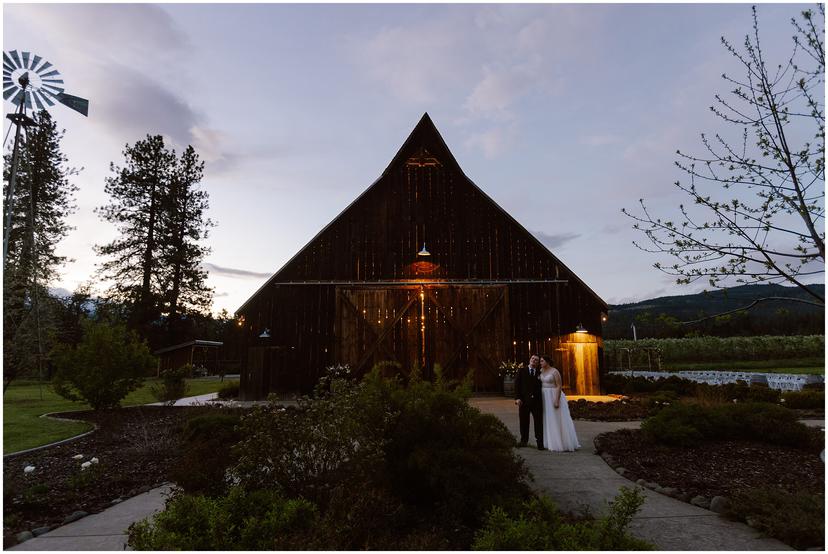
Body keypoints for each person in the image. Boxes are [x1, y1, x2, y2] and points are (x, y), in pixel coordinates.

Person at [538, 354, 580, 452]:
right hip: (544, 397)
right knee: (547, 418)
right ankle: (548, 441)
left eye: (542, 361)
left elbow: (559, 385)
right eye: (540, 361)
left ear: (547, 362)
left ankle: (560, 442)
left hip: (553, 395)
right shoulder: (541, 371)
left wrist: (556, 400)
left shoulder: (554, 371)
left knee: (556, 418)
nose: (540, 363)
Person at [514, 354, 543, 449]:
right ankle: (523, 441)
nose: (534, 360)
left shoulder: (540, 373)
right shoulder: (522, 371)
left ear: (538, 363)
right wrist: (517, 398)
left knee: (538, 423)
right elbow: (517, 385)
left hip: (537, 402)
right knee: (524, 422)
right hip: (524, 401)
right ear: (530, 359)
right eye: (532, 358)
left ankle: (540, 443)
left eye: (536, 360)